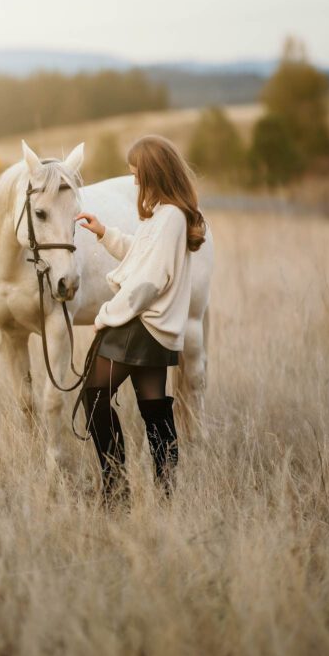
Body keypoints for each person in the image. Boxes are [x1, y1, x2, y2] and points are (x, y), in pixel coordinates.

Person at [75, 134, 207, 508]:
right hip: (157, 331)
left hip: (140, 327)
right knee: (154, 408)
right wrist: (104, 232)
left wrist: (106, 316)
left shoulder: (169, 219)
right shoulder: (168, 214)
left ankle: (116, 490)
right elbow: (141, 254)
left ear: (154, 173)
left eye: (137, 174)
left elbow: (149, 282)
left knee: (95, 396)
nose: (134, 181)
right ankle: (167, 493)